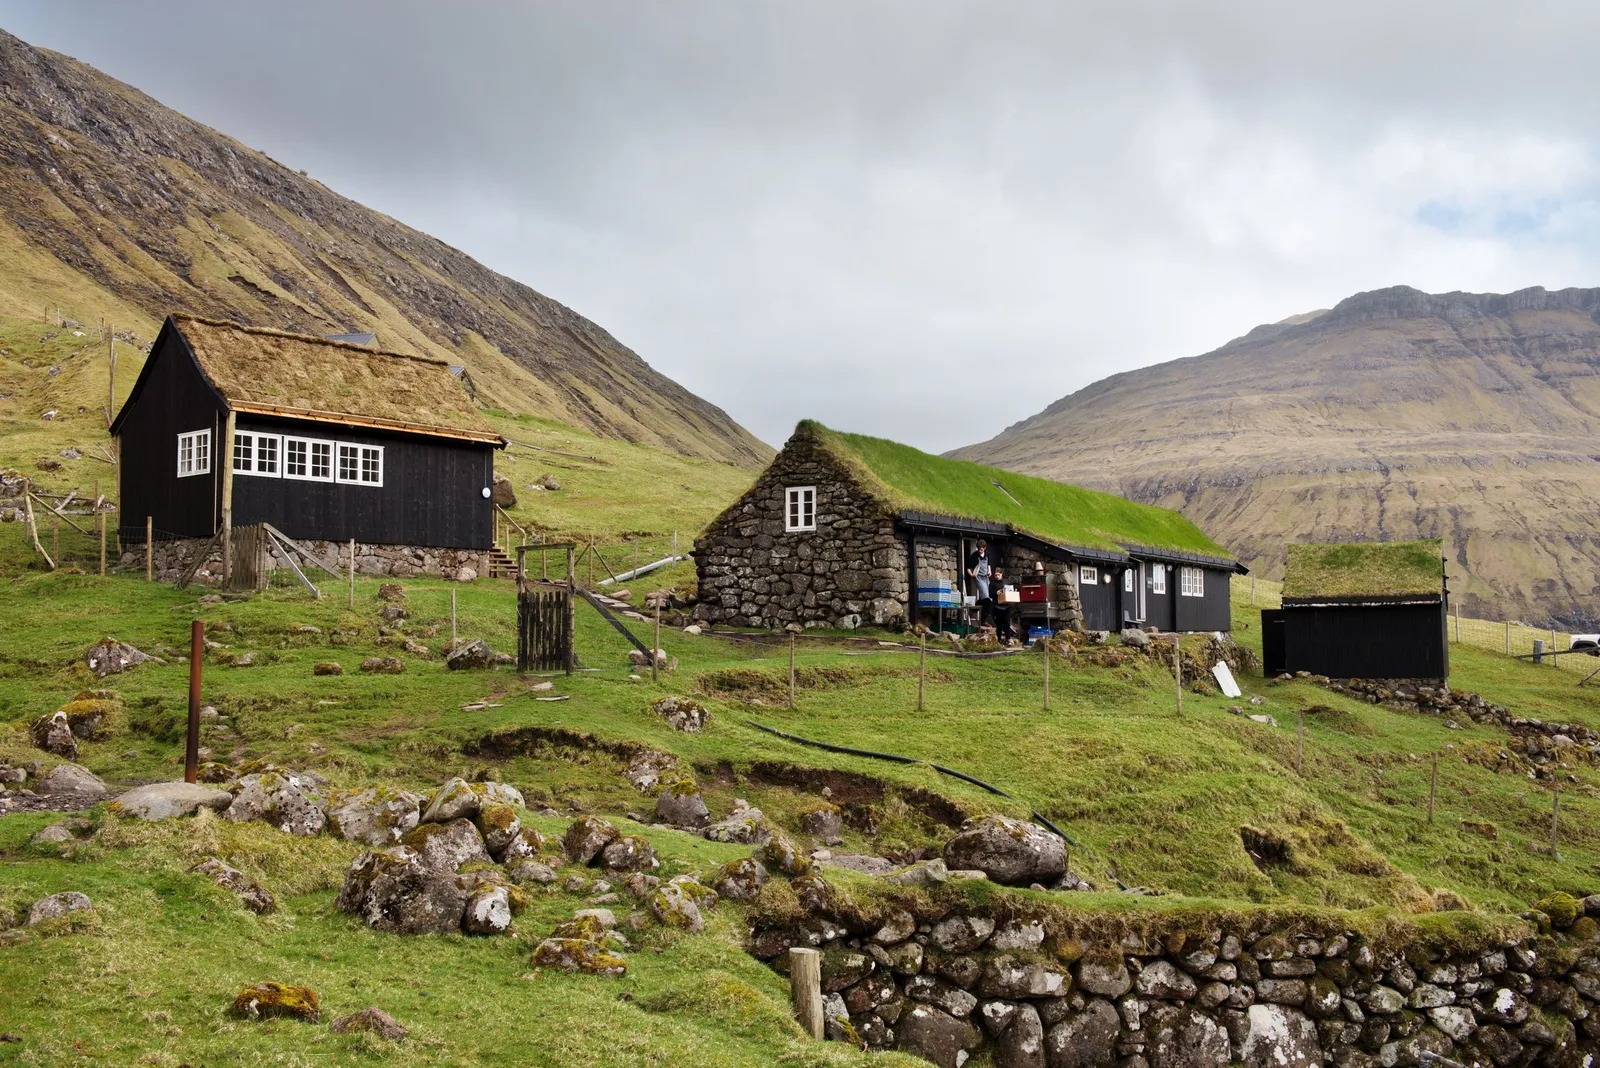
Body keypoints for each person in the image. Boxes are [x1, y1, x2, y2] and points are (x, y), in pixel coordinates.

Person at [966, 539, 993, 622]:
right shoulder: (974, 556)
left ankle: (976, 606)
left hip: (986, 577)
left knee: (988, 598)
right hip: (978, 577)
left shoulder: (987, 554)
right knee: (986, 597)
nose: (980, 550)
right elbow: (968, 568)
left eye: (982, 549)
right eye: (979, 548)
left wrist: (990, 571)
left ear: (984, 548)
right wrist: (971, 574)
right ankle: (984, 619)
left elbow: (988, 565)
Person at [990, 566, 1015, 644]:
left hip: (1007, 605)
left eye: (998, 575)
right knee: (999, 623)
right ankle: (999, 639)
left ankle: (1008, 639)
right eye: (996, 575)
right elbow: (990, 594)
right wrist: (996, 593)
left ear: (1001, 574)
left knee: (1007, 622)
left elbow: (1011, 591)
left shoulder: (1006, 582)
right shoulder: (992, 583)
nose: (997, 576)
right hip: (997, 606)